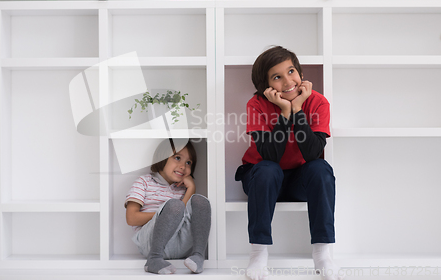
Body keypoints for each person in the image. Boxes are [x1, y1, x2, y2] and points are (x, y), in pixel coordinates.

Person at [235, 46, 342, 280]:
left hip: (297, 181)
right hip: (261, 178)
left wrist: (298, 109)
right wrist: (285, 112)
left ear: (301, 73)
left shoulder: (318, 102)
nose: (287, 81)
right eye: (277, 77)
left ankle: (323, 254)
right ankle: (258, 254)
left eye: (291, 71)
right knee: (268, 168)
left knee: (321, 168)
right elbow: (270, 155)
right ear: (266, 86)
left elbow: (313, 152)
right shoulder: (256, 105)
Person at [125, 138, 211, 275]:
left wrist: (191, 189)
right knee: (175, 206)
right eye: (177, 158)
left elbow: (182, 215)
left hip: (180, 244)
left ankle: (198, 256)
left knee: (201, 202)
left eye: (188, 163)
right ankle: (154, 259)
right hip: (151, 243)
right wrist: (164, 215)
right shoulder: (144, 182)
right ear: (162, 157)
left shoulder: (183, 189)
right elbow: (131, 218)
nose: (183, 166)